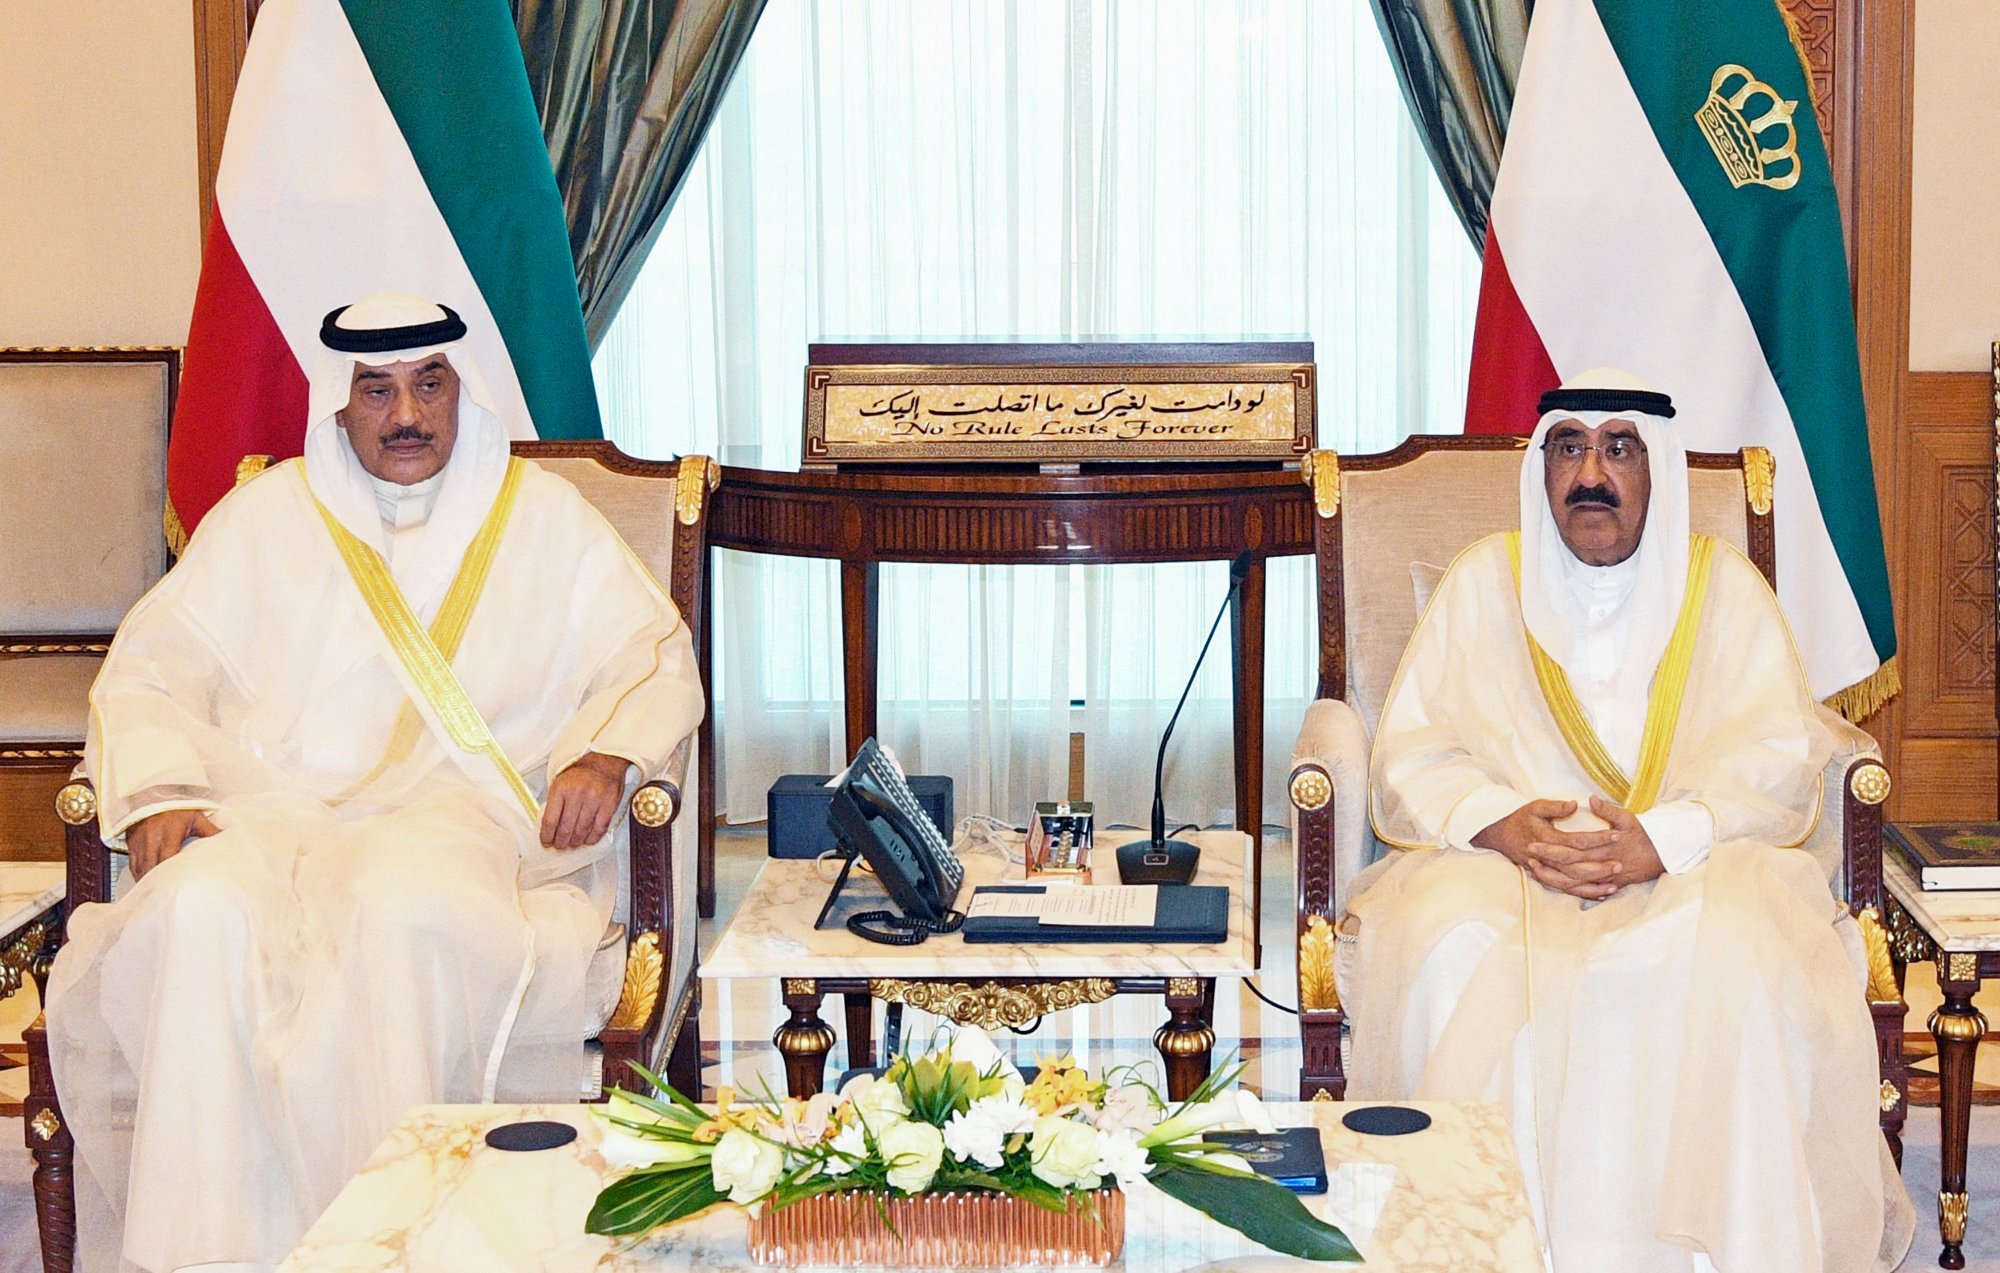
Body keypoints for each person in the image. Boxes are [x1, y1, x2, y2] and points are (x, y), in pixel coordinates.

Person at [46, 293, 705, 1272]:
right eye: (377, 390)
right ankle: (207, 1254)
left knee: (397, 901)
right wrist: (160, 790)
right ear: (339, 404)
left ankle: (404, 1243)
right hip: (275, 814)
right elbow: (152, 667)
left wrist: (609, 753)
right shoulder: (268, 518)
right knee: (198, 905)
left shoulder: (544, 518)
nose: (407, 414)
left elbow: (649, 654)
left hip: (462, 818)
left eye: (428, 383)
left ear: (458, 389)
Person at [1339, 369, 1913, 1271]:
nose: (1591, 473)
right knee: (1449, 948)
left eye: (1619, 449)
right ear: (1544, 467)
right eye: (1569, 447)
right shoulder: (1487, 581)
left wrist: (1662, 838)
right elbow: (1410, 753)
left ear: (1659, 471)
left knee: (1738, 953)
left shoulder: (1722, 589)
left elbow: (1774, 754)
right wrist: (1501, 823)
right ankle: (1485, 1251)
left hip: (1690, 862)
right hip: (1507, 871)